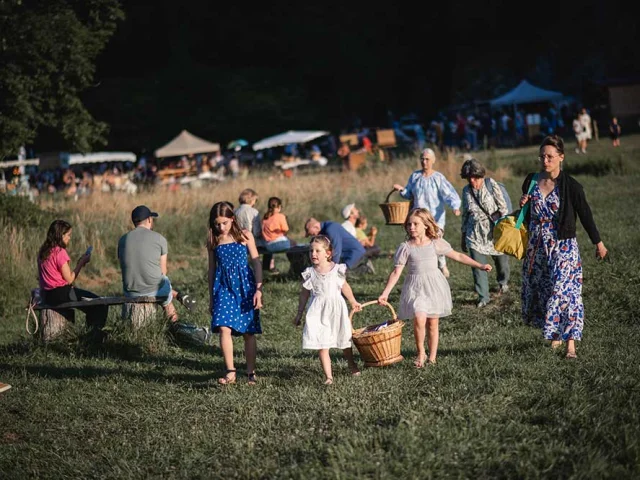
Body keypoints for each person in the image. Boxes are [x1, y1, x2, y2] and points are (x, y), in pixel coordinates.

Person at [520, 135, 607, 359]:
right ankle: (555, 336)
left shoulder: (571, 186)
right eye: (542, 156)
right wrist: (523, 205)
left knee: (565, 293)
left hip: (563, 247)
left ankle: (570, 345)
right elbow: (527, 216)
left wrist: (598, 242)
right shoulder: (531, 180)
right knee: (546, 291)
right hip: (537, 247)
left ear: (561, 157)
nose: (545, 160)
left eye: (550, 156)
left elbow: (585, 215)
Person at [377, 208, 492, 366]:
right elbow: (396, 272)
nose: (411, 227)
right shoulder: (406, 247)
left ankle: (432, 357)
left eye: (415, 224)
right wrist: (385, 293)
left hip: (434, 286)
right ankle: (421, 352)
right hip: (415, 287)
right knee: (419, 316)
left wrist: (479, 265)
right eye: (409, 224)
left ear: (425, 225)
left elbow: (458, 255)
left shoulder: (435, 243)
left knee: (432, 323)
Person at [293, 235, 362, 384]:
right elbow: (304, 294)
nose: (313, 254)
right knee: (322, 344)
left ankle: (351, 364)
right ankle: (329, 376)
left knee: (344, 340)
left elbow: (344, 286)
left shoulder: (337, 269)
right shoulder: (310, 273)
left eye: (318, 251)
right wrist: (299, 313)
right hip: (318, 312)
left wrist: (353, 301)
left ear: (328, 253)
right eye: (311, 251)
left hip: (336, 309)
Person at [208, 201, 263, 385]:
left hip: (245, 287)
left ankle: (250, 372)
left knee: (248, 332)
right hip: (223, 287)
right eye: (217, 223)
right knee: (223, 327)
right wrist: (211, 297)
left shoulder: (245, 236)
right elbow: (211, 270)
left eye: (224, 222)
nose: (220, 227)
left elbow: (256, 262)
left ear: (232, 219)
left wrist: (258, 289)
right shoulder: (214, 240)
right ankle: (230, 372)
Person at [118, 205, 196, 324]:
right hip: (154, 289)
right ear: (149, 219)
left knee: (161, 285)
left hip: (130, 291)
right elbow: (163, 273)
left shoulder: (122, 240)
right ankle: (174, 325)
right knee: (167, 300)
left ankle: (178, 295)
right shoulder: (159, 239)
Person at [392, 147, 461, 278]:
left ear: (433, 161)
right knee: (423, 242)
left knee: (436, 239)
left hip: (435, 217)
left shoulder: (438, 177)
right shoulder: (415, 176)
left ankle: (442, 265)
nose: (424, 162)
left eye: (427, 159)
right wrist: (401, 190)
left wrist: (455, 206)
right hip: (419, 218)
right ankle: (429, 267)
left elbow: (449, 193)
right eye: (422, 159)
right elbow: (409, 193)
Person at [38, 220, 108, 340]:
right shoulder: (60, 252)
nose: (69, 238)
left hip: (47, 295)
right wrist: (81, 263)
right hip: (62, 293)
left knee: (91, 303)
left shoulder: (43, 252)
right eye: (68, 235)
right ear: (61, 235)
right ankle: (93, 337)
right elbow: (69, 279)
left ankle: (88, 335)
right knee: (100, 304)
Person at [459, 158, 510, 308]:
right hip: (474, 233)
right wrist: (463, 235)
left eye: (475, 177)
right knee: (477, 265)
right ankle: (483, 296)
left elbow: (503, 207)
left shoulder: (490, 184)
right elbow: (465, 214)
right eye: (469, 178)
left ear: (481, 175)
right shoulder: (466, 191)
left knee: (501, 261)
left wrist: (503, 227)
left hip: (494, 230)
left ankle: (503, 282)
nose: (472, 181)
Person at [304, 217, 374, 275]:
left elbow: (336, 248)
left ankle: (366, 268)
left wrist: (333, 268)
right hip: (349, 254)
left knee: (341, 274)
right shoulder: (327, 227)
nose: (312, 235)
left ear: (316, 227)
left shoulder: (330, 229)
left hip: (355, 253)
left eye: (312, 233)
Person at [261, 196, 296, 274]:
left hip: (269, 246)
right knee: (294, 244)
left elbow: (263, 233)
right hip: (281, 244)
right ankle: (295, 267)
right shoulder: (280, 216)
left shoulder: (265, 218)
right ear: (279, 207)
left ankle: (267, 269)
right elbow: (286, 229)